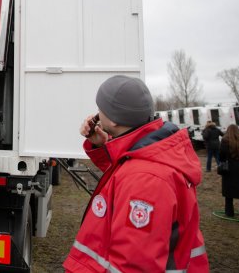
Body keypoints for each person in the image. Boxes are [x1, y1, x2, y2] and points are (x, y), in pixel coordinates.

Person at [63, 75, 209, 272]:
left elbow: (134, 265)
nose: (97, 113)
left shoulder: (145, 179)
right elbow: (123, 176)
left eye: (101, 109)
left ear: (114, 119)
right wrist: (103, 144)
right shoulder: (150, 154)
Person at [218, 124, 239, 221]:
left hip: (228, 169)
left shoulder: (225, 141)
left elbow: (221, 156)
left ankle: (229, 213)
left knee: (228, 193)